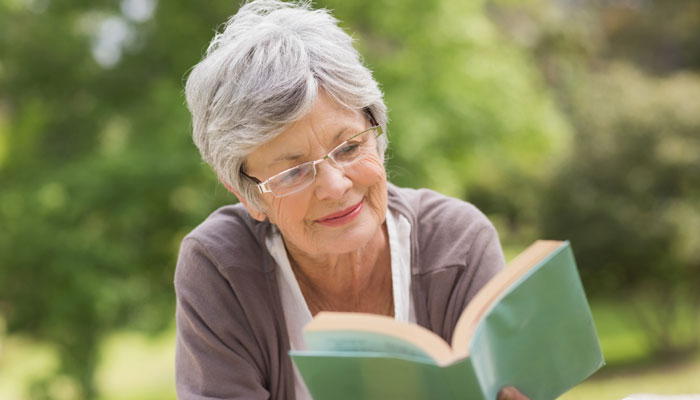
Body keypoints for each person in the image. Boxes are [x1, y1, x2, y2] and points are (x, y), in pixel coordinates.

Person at [175, 0, 528, 399]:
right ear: (248, 196)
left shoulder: (458, 241)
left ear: (376, 136)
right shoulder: (220, 269)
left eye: (347, 147)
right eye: (292, 172)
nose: (335, 185)